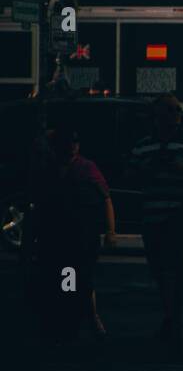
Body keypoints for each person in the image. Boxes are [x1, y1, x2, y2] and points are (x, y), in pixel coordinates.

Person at [130, 95, 183, 356]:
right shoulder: (144, 146)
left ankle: (173, 322)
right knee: (160, 271)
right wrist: (150, 168)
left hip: (179, 217)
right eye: (166, 114)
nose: (172, 118)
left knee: (176, 271)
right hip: (153, 216)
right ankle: (170, 317)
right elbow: (132, 175)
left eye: (175, 112)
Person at [29, 124, 115, 341]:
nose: (72, 147)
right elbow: (39, 205)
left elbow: (106, 198)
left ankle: (76, 319)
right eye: (69, 143)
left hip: (80, 235)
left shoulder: (86, 168)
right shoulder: (50, 168)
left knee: (78, 278)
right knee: (63, 277)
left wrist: (110, 230)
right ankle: (70, 319)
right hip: (58, 235)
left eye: (75, 143)